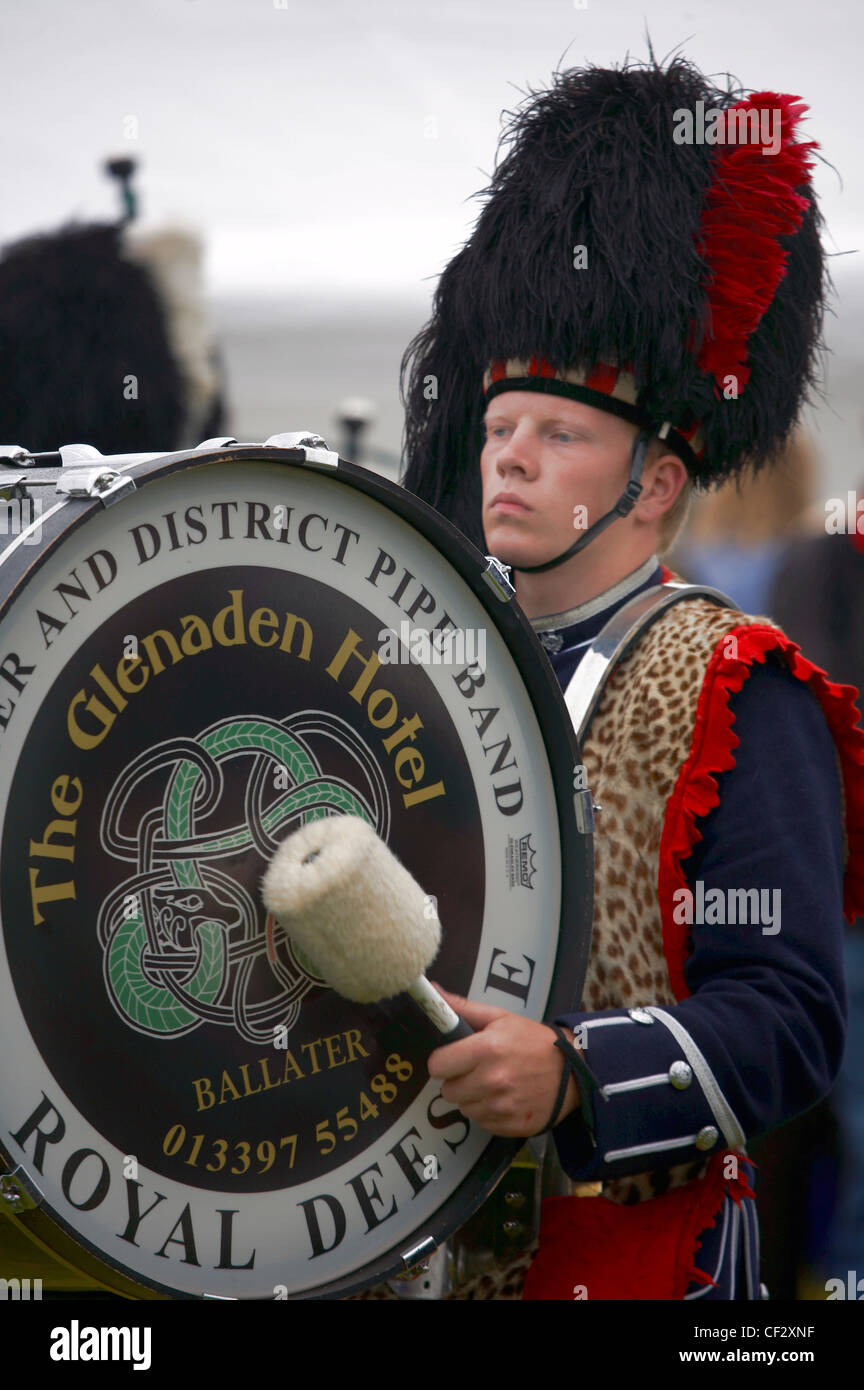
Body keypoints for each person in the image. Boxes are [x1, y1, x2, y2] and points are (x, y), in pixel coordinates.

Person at [396, 56, 864, 1300]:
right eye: (498, 430)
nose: (512, 460)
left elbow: (791, 1014)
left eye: (560, 435)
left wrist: (577, 1074)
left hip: (641, 1262)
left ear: (655, 483)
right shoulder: (425, 673)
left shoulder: (741, 683)